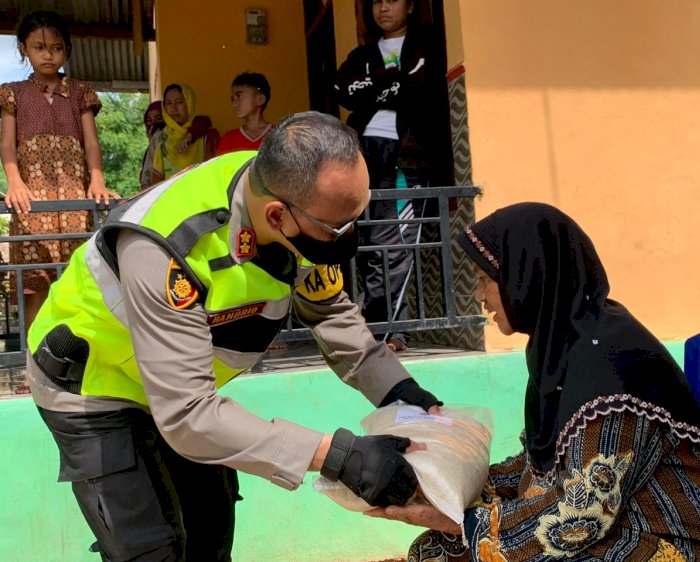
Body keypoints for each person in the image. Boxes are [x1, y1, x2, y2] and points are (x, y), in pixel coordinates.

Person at [26, 111, 443, 561]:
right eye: (338, 228)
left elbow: (329, 313)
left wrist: (402, 394)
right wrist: (342, 457)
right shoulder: (169, 246)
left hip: (182, 388)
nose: (349, 238)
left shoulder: (293, 194)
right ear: (277, 215)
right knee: (152, 550)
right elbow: (188, 416)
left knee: (209, 532)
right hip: (94, 388)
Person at [368, 203, 700, 561]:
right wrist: (443, 487)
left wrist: (463, 521)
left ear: (528, 276)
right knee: (432, 553)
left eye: (486, 281)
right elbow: (539, 469)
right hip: (609, 530)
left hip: (664, 543)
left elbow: (583, 514)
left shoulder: (609, 365)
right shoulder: (560, 349)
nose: (479, 297)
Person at [335, 0, 453, 352]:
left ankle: (392, 333)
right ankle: (377, 328)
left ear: (411, 5)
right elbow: (341, 92)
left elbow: (417, 88)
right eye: (377, 1)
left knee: (396, 243)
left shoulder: (426, 46)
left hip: (406, 157)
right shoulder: (362, 55)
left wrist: (372, 87)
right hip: (363, 158)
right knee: (370, 245)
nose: (383, 7)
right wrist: (389, 84)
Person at [0, 10, 118, 332]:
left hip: (75, 202)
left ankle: (72, 362)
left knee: (76, 281)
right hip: (31, 203)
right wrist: (14, 182)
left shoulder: (80, 92)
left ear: (66, 49)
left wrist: (97, 180)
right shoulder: (12, 93)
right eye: (39, 46)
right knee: (34, 283)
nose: (48, 54)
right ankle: (34, 362)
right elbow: (8, 146)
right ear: (24, 48)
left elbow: (92, 144)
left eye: (56, 47)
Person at [142, 82, 220, 187]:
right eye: (168, 103)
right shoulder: (161, 139)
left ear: (189, 103)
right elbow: (156, 184)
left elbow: (218, 175)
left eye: (179, 102)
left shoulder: (209, 136)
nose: (173, 108)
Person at [216, 72, 273, 156]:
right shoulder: (229, 139)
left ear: (260, 99)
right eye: (233, 99)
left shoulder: (278, 135)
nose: (234, 104)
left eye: (239, 96)